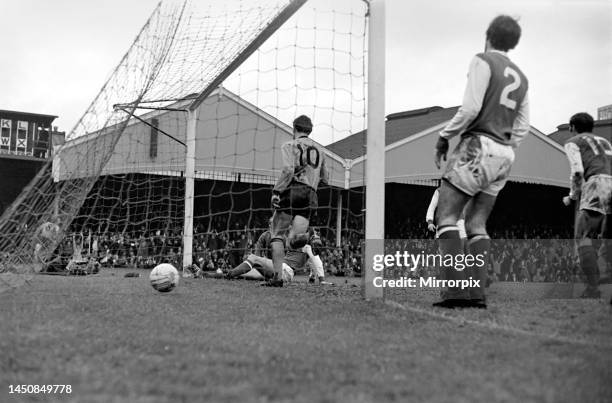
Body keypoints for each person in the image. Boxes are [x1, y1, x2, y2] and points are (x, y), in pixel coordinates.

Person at [433, 15, 529, 308]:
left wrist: (444, 135)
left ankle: (456, 292)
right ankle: (476, 294)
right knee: (477, 224)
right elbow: (523, 126)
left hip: (478, 144)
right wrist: (502, 146)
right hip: (505, 153)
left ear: (488, 35)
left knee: (447, 217)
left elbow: (471, 107)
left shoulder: (483, 60)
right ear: (514, 42)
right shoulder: (522, 76)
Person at [265, 115, 329, 287]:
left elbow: (287, 170)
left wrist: (277, 191)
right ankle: (311, 236)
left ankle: (277, 278)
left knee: (276, 235)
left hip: (293, 190)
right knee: (293, 241)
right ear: (310, 130)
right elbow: (326, 178)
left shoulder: (289, 145)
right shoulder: (320, 150)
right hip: (311, 194)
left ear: (294, 128)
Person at [562, 112, 612, 299]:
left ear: (573, 126)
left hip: (596, 184)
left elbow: (577, 171)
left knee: (582, 236)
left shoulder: (573, 142)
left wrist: (572, 196)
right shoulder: (606, 142)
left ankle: (592, 288)